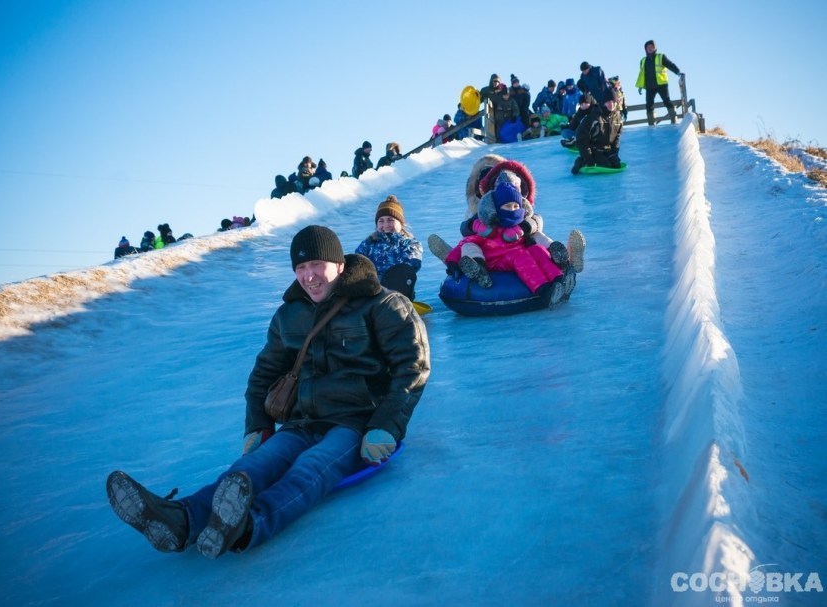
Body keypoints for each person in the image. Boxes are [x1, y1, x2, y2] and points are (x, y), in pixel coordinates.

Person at [106, 225, 430, 558]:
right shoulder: (290, 315)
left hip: (356, 422)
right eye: (301, 267)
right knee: (255, 466)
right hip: (302, 421)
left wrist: (386, 425)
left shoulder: (381, 304)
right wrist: (258, 425)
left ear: (339, 265)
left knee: (311, 466)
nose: (309, 276)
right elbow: (263, 374)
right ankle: (182, 520)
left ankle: (248, 525)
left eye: (316, 264)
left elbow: (413, 366)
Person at [443, 182, 567, 309]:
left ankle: (559, 280)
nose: (512, 210)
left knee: (537, 249)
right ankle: (544, 291)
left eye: (516, 206)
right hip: (495, 262)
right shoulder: (489, 229)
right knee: (519, 256)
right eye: (508, 206)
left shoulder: (519, 227)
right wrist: (452, 262)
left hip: (515, 258)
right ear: (497, 208)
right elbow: (465, 244)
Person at [355, 195, 423, 300]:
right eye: (381, 221)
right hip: (372, 294)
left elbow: (409, 268)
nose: (386, 225)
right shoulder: (368, 243)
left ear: (401, 223)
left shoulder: (411, 244)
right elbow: (357, 265)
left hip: (399, 296)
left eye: (390, 220)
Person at [572, 88, 623, 175]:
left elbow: (617, 138)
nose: (611, 104)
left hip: (607, 149)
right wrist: (587, 156)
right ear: (604, 102)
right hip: (593, 149)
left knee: (616, 164)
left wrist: (614, 154)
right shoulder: (594, 116)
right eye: (608, 101)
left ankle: (604, 158)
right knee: (606, 165)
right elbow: (581, 137)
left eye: (613, 101)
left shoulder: (617, 117)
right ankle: (581, 160)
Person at [636, 40, 681, 125]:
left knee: (667, 101)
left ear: (654, 48)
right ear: (645, 49)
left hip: (661, 85)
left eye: (651, 47)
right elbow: (642, 75)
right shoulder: (643, 60)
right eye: (647, 47)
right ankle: (651, 124)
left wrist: (678, 72)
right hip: (649, 86)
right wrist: (640, 86)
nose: (649, 48)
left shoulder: (661, 57)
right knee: (649, 105)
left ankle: (674, 120)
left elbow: (670, 65)